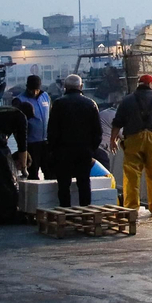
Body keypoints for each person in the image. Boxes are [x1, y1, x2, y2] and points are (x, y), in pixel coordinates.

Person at [111, 74, 152, 216]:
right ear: (151, 85)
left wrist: (113, 139)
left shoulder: (127, 101)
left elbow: (117, 122)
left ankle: (131, 208)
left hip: (132, 140)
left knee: (131, 176)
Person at [48, 74, 103, 208]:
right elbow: (98, 132)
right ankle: (85, 211)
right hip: (84, 151)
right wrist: (91, 149)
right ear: (81, 86)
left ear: (65, 87)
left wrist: (54, 149)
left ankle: (65, 211)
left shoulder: (58, 104)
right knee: (84, 183)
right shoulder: (91, 104)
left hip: (62, 151)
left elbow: (52, 130)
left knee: (63, 184)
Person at [17, 75, 51, 179]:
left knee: (50, 172)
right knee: (33, 174)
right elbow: (16, 127)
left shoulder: (46, 96)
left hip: (46, 142)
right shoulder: (19, 100)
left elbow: (50, 115)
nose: (34, 92)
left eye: (36, 90)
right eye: (31, 90)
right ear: (27, 87)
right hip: (31, 143)